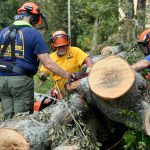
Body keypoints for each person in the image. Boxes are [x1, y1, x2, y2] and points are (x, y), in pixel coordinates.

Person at [0, 2, 75, 120]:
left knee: (8, 119)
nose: (36, 26)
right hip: (20, 81)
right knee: (21, 121)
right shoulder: (34, 34)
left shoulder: (3, 32)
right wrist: (68, 75)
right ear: (33, 19)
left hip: (2, 80)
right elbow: (48, 63)